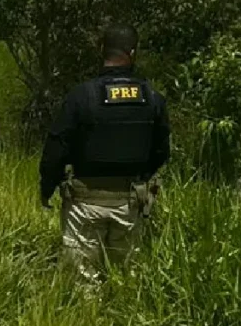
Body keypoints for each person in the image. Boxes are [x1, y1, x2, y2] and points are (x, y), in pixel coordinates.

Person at [39, 24, 171, 283]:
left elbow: (55, 149)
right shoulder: (153, 98)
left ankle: (89, 321)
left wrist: (47, 187)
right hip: (130, 203)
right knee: (127, 281)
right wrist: (141, 178)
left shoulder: (81, 96)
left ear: (101, 50)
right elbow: (161, 151)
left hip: (84, 203)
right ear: (133, 52)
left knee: (83, 283)